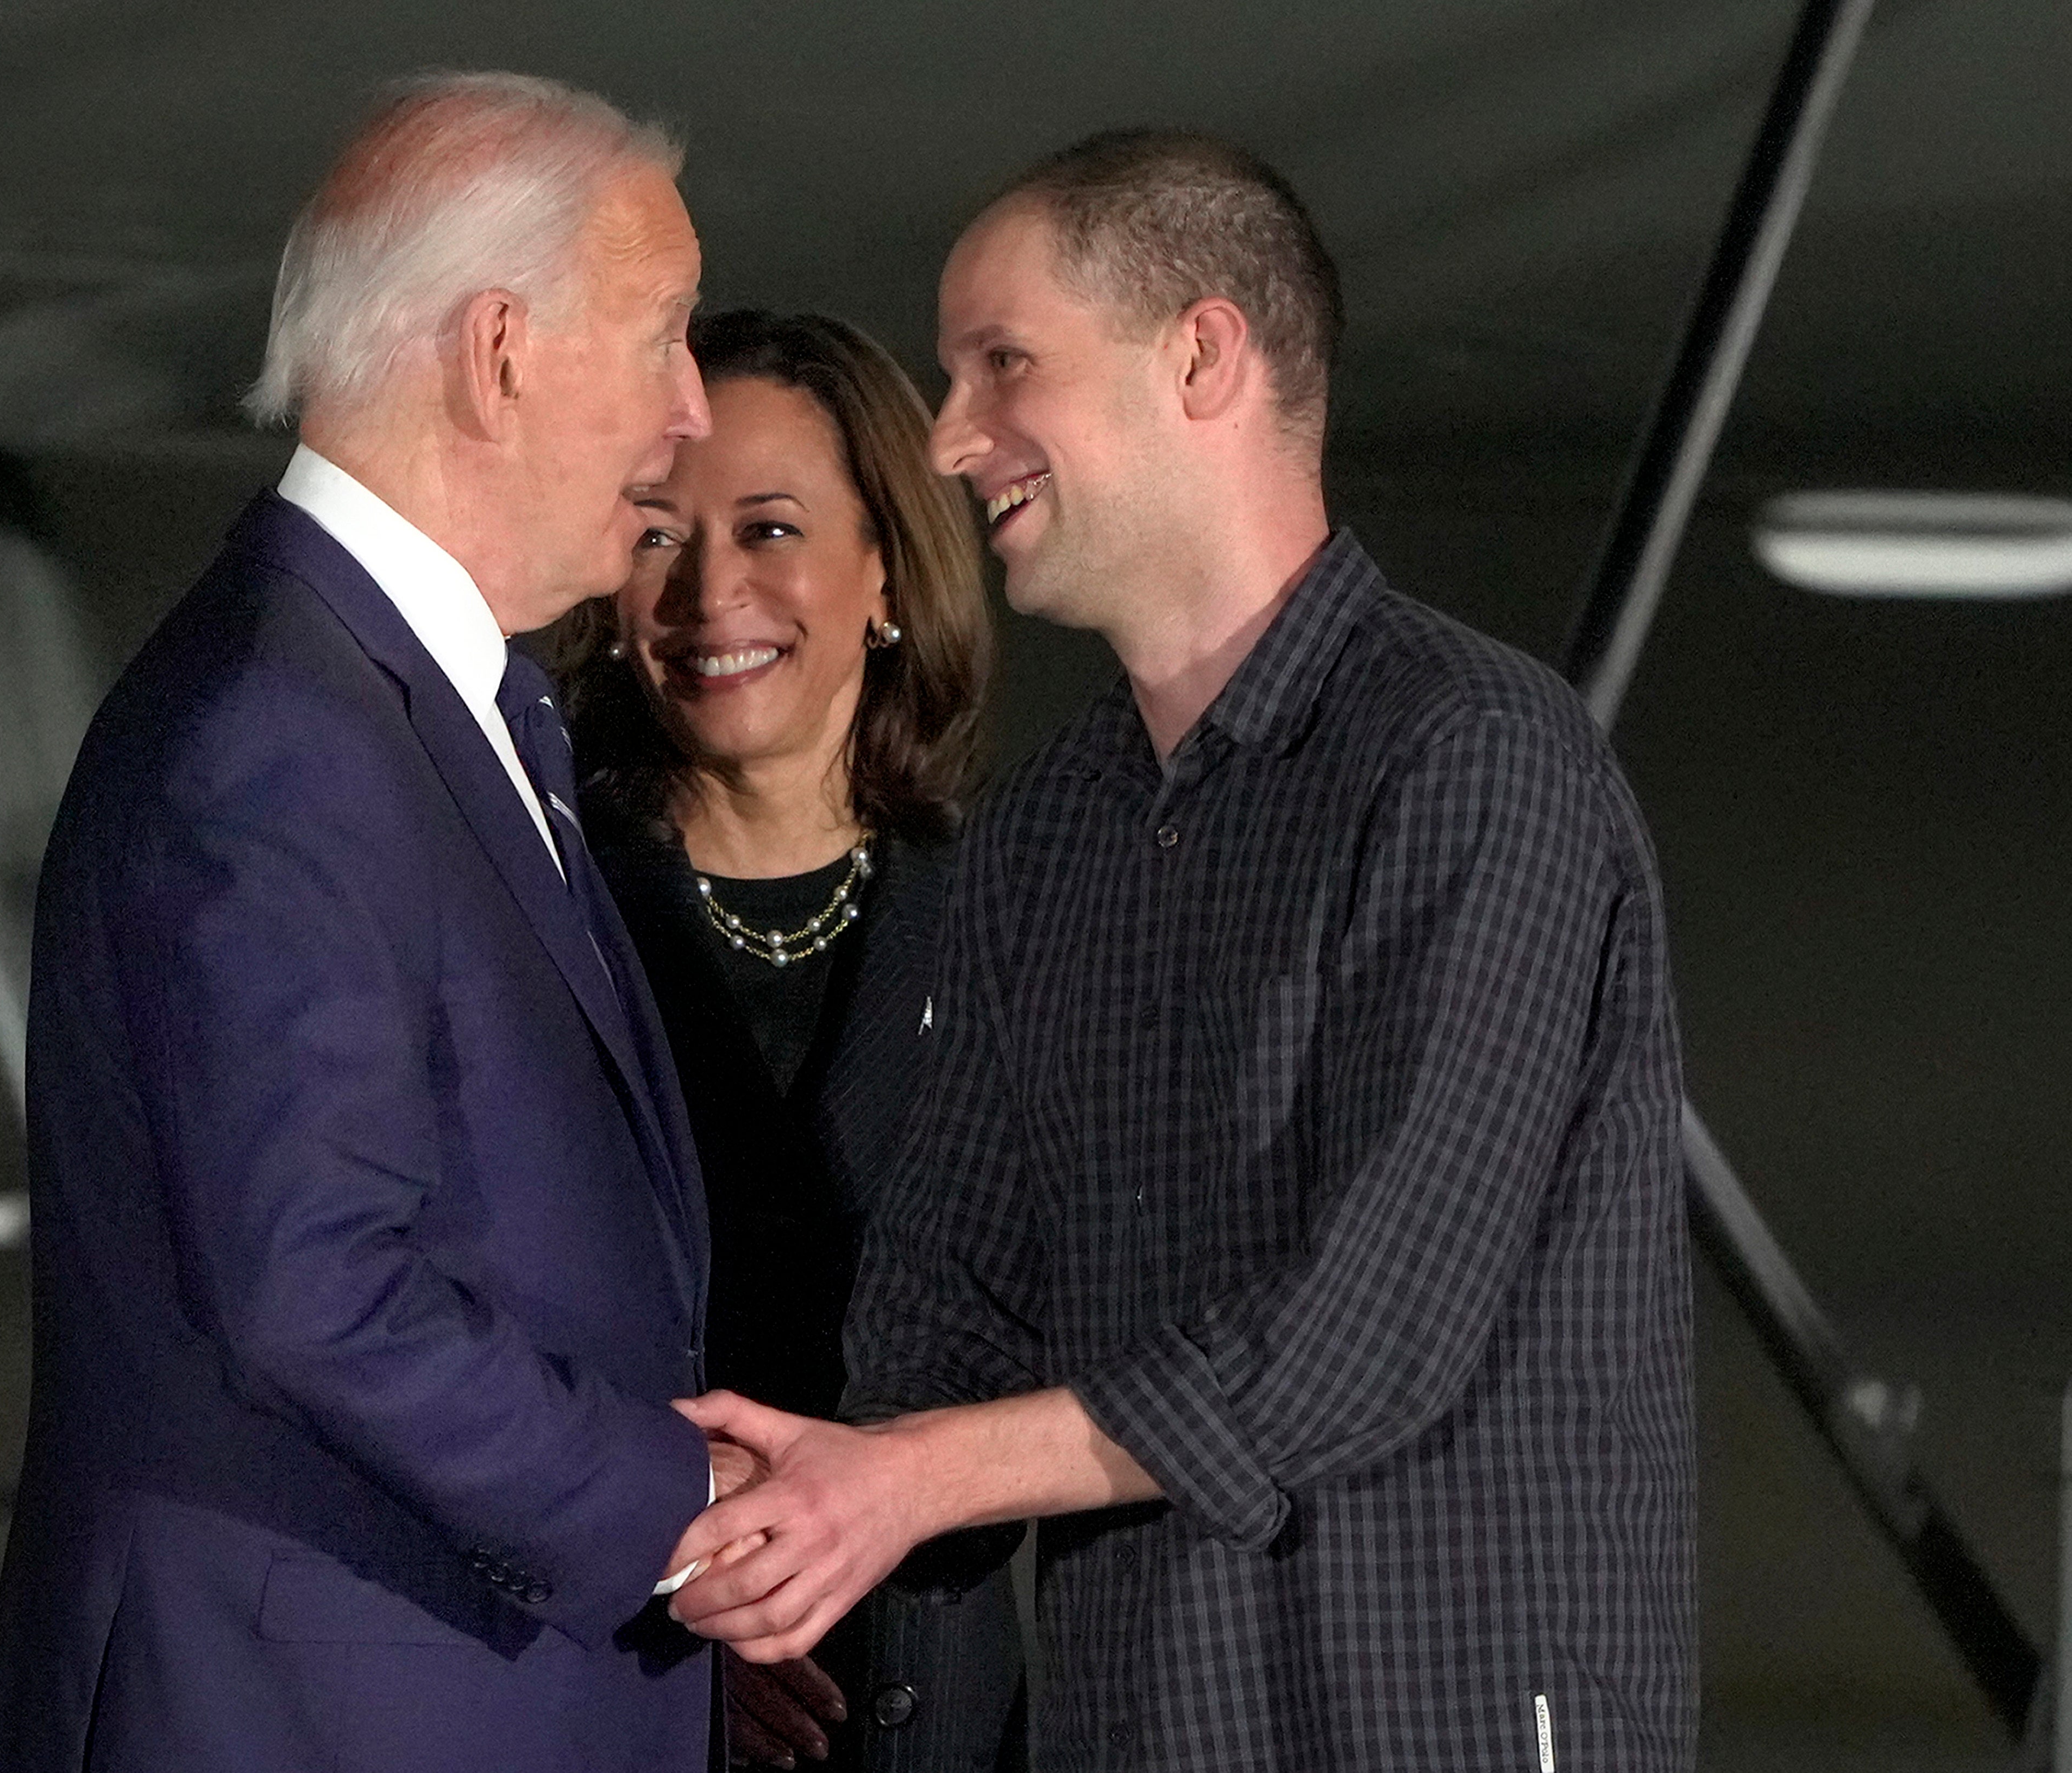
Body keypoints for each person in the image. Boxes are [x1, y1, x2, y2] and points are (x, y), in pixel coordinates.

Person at [662, 129, 1696, 1771]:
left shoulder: (1477, 759)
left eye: (1004, 363)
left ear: (1202, 354)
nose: (950, 436)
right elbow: (949, 1304)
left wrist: (908, 1480)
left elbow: (1374, 1328)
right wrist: (771, 1510)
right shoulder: (1051, 829)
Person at [0, 72, 748, 1773]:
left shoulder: (387, 705)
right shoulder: (281, 735)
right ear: (500, 352)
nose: (691, 409)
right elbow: (314, 1287)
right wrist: (689, 1514)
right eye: (666, 334)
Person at [551, 309, 1017, 1772]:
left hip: (941, 1717)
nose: (709, 594)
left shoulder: (1028, 925)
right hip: (611, 1701)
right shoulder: (530, 908)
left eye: (769, 528)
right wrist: (666, 1605)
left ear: (887, 566)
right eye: (656, 534)